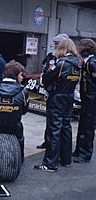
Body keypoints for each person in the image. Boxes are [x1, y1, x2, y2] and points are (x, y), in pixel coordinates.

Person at [34, 38, 80, 172]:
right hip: (69, 96)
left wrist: (46, 76)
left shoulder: (61, 63)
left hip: (57, 97)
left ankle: (50, 163)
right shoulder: (77, 64)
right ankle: (66, 159)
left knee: (54, 129)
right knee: (66, 127)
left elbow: (47, 78)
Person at [0, 60, 29, 162]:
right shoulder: (23, 91)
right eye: (20, 74)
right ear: (15, 75)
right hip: (14, 127)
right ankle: (20, 159)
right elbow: (24, 111)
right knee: (20, 132)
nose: (22, 77)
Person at [36, 33, 70, 149]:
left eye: (57, 44)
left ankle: (56, 147)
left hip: (60, 93)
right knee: (50, 120)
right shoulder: (51, 56)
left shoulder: (66, 60)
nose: (55, 46)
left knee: (59, 123)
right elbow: (45, 69)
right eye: (54, 44)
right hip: (50, 91)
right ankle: (48, 141)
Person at [73, 38, 96, 163]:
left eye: (80, 46)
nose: (78, 49)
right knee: (82, 125)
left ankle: (85, 153)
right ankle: (79, 150)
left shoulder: (92, 63)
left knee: (87, 127)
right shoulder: (87, 62)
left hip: (91, 100)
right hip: (87, 99)